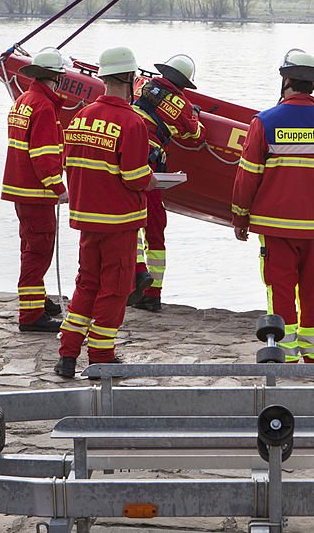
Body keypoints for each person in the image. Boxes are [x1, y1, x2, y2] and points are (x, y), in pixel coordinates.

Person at [231, 50, 314, 363]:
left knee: (280, 289)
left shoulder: (264, 122)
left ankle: (283, 353)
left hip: (277, 227)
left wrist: (240, 216)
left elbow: (247, 176)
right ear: (313, 85)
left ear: (286, 80)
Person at [54, 46, 155, 378]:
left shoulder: (81, 115)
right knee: (115, 290)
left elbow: (70, 161)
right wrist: (154, 179)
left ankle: (67, 354)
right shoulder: (132, 121)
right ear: (129, 78)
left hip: (87, 217)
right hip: (119, 221)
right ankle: (101, 355)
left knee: (86, 284)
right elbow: (135, 177)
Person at [128, 54, 207, 312]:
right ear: (184, 83)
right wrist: (194, 114)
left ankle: (136, 275)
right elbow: (196, 135)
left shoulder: (140, 83)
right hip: (148, 166)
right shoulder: (181, 105)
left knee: (127, 219)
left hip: (124, 158)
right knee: (154, 227)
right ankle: (152, 293)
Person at [1, 48, 70, 333]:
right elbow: (43, 155)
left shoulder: (24, 100)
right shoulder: (42, 106)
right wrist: (59, 187)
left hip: (21, 189)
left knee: (29, 246)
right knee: (38, 250)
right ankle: (30, 316)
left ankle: (36, 300)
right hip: (36, 191)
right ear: (55, 78)